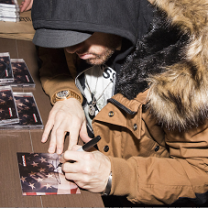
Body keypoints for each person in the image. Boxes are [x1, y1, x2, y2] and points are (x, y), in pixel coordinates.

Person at [31, 0, 208, 206]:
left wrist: (115, 175)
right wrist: (67, 97)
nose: (71, 49)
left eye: (81, 37)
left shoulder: (182, 74)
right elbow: (53, 52)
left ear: (116, 18)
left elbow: (200, 173)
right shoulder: (87, 42)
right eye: (64, 39)